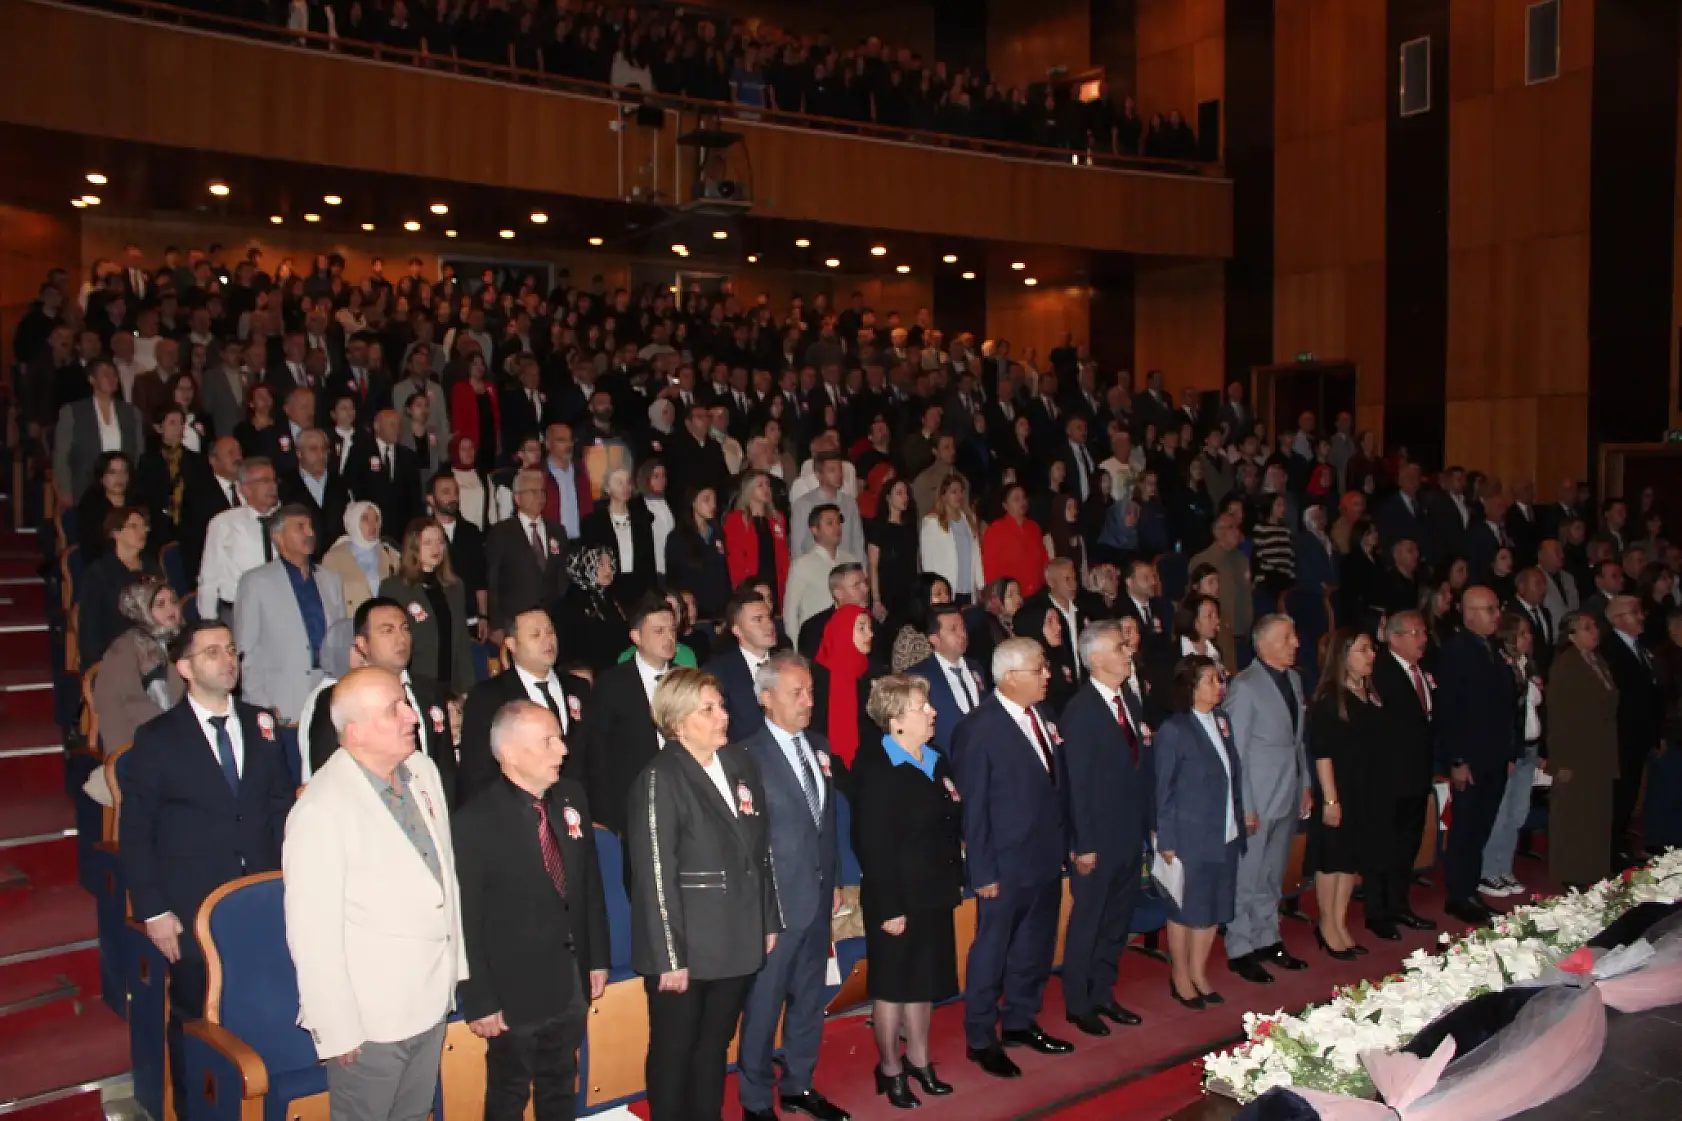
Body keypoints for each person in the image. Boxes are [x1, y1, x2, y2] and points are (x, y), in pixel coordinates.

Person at [119, 619, 294, 1117]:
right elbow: (137, 831)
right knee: (198, 1020)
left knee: (262, 1011)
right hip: (193, 904)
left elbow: (281, 809)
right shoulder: (157, 738)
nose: (228, 659)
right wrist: (153, 909)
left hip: (262, 899)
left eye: (232, 650)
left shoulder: (262, 724)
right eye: (213, 652)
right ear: (184, 668)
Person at [284, 668, 464, 1121]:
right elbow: (311, 933)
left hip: (430, 994)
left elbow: (445, 880)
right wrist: (336, 1029)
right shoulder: (321, 808)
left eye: (406, 702)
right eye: (395, 710)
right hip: (371, 1021)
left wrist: (455, 970)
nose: (412, 716)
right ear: (355, 731)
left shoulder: (423, 771)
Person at [628, 669, 781, 1121]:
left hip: (736, 933)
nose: (723, 717)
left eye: (722, 706)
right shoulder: (660, 778)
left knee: (714, 1046)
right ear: (677, 723)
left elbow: (760, 849)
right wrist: (670, 956)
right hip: (688, 946)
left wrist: (767, 919)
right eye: (708, 710)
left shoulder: (739, 763)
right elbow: (656, 874)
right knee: (677, 1050)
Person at [453, 701, 610, 1121]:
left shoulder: (571, 796)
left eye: (559, 737)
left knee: (561, 1087)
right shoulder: (474, 821)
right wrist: (480, 999)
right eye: (548, 742)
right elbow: (465, 920)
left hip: (570, 982)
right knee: (509, 1094)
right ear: (510, 753)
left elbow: (588, 885)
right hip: (513, 991)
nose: (562, 750)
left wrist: (596, 958)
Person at [952, 637, 1074, 1078]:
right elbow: (973, 807)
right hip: (1002, 864)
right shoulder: (979, 728)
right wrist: (981, 869)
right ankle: (981, 1037)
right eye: (1039, 669)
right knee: (992, 949)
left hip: (1044, 854)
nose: (1048, 675)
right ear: (1010, 678)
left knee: (1035, 945)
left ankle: (1021, 1020)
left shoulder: (1043, 715)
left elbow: (1057, 787)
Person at [736, 654, 849, 1121]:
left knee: (809, 998)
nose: (808, 701)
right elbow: (744, 844)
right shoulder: (745, 757)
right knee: (763, 1005)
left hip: (818, 897)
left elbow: (827, 825)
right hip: (775, 904)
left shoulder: (820, 747)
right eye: (796, 693)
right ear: (766, 699)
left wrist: (837, 879)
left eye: (810, 692)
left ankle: (800, 1083)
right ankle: (756, 1099)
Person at [851, 674, 963, 1108]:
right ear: (896, 719)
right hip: (895, 897)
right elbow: (872, 845)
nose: (932, 712)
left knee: (924, 982)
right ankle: (890, 1068)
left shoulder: (936, 759)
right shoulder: (877, 768)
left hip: (933, 891)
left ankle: (919, 1060)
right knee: (893, 987)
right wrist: (889, 906)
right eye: (922, 706)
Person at [1058, 621, 1151, 1036]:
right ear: (1095, 658)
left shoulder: (1129, 699)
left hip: (1129, 832)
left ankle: (1103, 992)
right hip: (1097, 838)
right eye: (1119, 646)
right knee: (1089, 921)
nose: (1128, 651)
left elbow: (1138, 768)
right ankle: (1078, 1003)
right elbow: (1077, 783)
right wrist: (1084, 844)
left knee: (1117, 920)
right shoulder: (1080, 711)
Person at [1222, 614, 1311, 984]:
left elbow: (1298, 741)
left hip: (1287, 792)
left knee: (1273, 874)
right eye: (1287, 637)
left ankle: (1267, 938)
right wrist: (1245, 806)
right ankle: (1240, 946)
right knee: (1248, 875)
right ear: (1263, 644)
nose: (1296, 643)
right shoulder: (1244, 686)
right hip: (1257, 798)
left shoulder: (1294, 680)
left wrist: (1305, 784)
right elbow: (1236, 752)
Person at [1155, 654, 1245, 1010]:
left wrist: (1240, 817)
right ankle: (1180, 974)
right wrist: (1167, 839)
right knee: (1185, 908)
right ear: (1190, 687)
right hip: (1189, 833)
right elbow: (1163, 788)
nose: (1219, 685)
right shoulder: (1175, 729)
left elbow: (1231, 775)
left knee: (1214, 906)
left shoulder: (1222, 720)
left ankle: (1199, 971)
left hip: (1225, 830)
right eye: (1210, 680)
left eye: (1220, 679)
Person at [1436, 586, 1519, 924]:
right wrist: (1456, 759)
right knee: (1466, 829)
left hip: (1494, 755)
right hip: (1470, 757)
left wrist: (1509, 751)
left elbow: (1505, 705)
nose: (1497, 615)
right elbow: (1449, 710)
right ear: (1469, 614)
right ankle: (1459, 895)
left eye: (1497, 608)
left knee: (1482, 826)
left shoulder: (1493, 648)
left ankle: (1471, 889)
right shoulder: (1456, 651)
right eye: (1489, 609)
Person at [458, 606, 590, 805]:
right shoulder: (488, 696)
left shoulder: (578, 687)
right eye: (535, 635)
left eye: (550, 631)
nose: (547, 640)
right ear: (512, 643)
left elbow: (594, 755)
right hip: (518, 813)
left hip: (578, 810)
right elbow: (477, 770)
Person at [233, 504, 347, 724]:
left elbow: (340, 644)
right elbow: (246, 651)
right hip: (281, 702)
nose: (310, 533)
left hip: (328, 699)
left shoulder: (330, 581)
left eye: (311, 527)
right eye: (300, 527)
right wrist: (261, 706)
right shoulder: (256, 582)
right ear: (278, 537)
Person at [1305, 629, 1381, 958]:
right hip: (1338, 788)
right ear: (1344, 656)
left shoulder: (1369, 694)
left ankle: (1340, 921)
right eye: (1363, 649)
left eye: (1371, 649)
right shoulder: (1329, 699)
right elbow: (1322, 753)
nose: (1371, 655)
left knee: (1350, 860)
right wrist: (1331, 799)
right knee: (1332, 859)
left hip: (1363, 788)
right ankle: (1326, 925)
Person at [1366, 612, 1439, 935]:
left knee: (1407, 844)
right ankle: (1378, 912)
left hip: (1416, 772)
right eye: (1415, 632)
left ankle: (1399, 904)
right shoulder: (1380, 670)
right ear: (1394, 637)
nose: (1423, 638)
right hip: (1389, 775)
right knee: (1383, 845)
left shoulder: (1419, 670)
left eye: (1423, 631)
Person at [584, 595, 677, 837]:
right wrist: (604, 813)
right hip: (633, 801)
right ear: (636, 637)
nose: (669, 637)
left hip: (683, 792)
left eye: (672, 629)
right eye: (658, 631)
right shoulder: (612, 683)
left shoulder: (684, 680)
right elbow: (597, 750)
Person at [1545, 611, 1621, 887]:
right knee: (1574, 815)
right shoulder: (1566, 665)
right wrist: (1560, 760)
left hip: (1599, 747)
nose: (1594, 631)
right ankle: (1571, 874)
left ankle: (1596, 870)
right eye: (1586, 628)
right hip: (1576, 751)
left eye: (1594, 626)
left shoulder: (1597, 661)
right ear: (1571, 635)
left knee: (1598, 812)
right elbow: (1558, 715)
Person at [1480, 612, 1544, 899]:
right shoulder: (1502, 667)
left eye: (1529, 633)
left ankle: (1504, 868)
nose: (1528, 638)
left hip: (1530, 748)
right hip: (1510, 751)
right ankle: (1488, 872)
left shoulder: (1527, 666)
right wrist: (1506, 753)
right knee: (1501, 814)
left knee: (1518, 814)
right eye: (1522, 633)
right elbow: (1503, 715)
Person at [1601, 594, 1664, 867]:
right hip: (1620, 736)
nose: (1642, 616)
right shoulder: (1609, 649)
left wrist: (1654, 733)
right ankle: (1610, 850)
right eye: (1635, 612)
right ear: (1618, 619)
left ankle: (1619, 843)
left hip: (1638, 736)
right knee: (1618, 795)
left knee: (1629, 794)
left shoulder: (1640, 647)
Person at [90, 577, 185, 756]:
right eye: (160, 604)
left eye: (173, 601)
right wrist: (120, 758)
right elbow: (110, 707)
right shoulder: (125, 649)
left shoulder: (185, 643)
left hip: (182, 740)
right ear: (142, 610)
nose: (171, 609)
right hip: (140, 744)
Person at [380, 519, 475, 695]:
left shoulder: (455, 587)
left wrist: (467, 689)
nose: (436, 548)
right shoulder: (394, 588)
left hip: (450, 685)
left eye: (440, 542)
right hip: (415, 684)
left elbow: (462, 641)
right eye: (428, 543)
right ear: (414, 547)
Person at [484, 468, 571, 631]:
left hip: (551, 620)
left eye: (542, 491)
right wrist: (496, 625)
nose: (540, 497)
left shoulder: (557, 531)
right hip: (515, 621)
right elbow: (493, 581)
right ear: (517, 498)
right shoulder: (501, 532)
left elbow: (562, 576)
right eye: (533, 491)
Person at [196, 456, 282, 620]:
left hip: (279, 609)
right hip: (239, 611)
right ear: (245, 489)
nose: (272, 486)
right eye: (264, 481)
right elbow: (210, 577)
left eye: (273, 480)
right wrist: (209, 621)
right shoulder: (224, 523)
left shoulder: (285, 520)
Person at [77, 505, 162, 666]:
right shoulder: (99, 573)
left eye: (144, 526)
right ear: (115, 533)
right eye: (133, 526)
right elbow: (90, 626)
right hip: (114, 654)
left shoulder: (152, 568)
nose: (142, 531)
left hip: (152, 652)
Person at [810, 603, 884, 784]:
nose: (870, 634)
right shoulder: (817, 677)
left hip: (871, 765)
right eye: (861, 628)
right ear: (843, 631)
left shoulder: (874, 672)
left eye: (870, 628)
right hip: (828, 766)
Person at [907, 604, 986, 753]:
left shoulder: (976, 667)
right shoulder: (919, 676)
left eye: (963, 627)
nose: (962, 634)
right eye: (953, 629)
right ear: (934, 639)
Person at [701, 590, 778, 740]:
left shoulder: (787, 664)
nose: (769, 624)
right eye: (758, 619)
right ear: (737, 630)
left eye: (769, 617)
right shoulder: (719, 671)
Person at [580, 465, 657, 606]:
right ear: (607, 488)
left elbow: (649, 562)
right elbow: (590, 560)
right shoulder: (593, 522)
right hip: (607, 590)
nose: (625, 487)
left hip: (638, 591)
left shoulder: (642, 520)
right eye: (619, 482)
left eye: (628, 482)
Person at [783, 506, 859, 640]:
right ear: (814, 530)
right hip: (816, 639)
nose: (837, 527)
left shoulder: (849, 560)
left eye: (838, 522)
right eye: (830, 523)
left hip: (849, 636)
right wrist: (797, 647)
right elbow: (790, 612)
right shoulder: (802, 564)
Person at [552, 546, 630, 673]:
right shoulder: (570, 603)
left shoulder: (611, 598)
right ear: (584, 567)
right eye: (601, 564)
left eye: (611, 564)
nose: (609, 569)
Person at [725, 471, 792, 610]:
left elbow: (783, 555)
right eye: (760, 485)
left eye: (767, 485)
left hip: (775, 581)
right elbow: (734, 558)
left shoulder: (778, 519)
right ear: (749, 490)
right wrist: (741, 587)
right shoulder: (736, 519)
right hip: (751, 581)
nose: (766, 489)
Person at [322, 501, 401, 619]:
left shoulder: (390, 554)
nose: (372, 524)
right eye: (365, 519)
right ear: (353, 522)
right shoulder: (334, 558)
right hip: (352, 625)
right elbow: (328, 601)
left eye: (376, 519)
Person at [666, 485, 732, 621]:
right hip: (694, 611)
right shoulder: (678, 537)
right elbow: (675, 578)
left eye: (714, 500)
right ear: (693, 502)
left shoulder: (717, 533)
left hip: (720, 611)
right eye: (706, 499)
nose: (713, 505)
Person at [920, 474, 983, 605]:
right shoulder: (931, 522)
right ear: (943, 496)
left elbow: (976, 554)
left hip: (968, 589)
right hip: (946, 589)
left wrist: (980, 584)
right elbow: (927, 561)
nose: (959, 496)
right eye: (953, 492)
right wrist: (934, 590)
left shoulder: (969, 519)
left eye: (961, 492)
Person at [981, 483, 1050, 599]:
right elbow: (990, 567)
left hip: (1037, 593)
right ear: (1005, 505)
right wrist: (996, 596)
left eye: (1023, 498)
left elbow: (1044, 559)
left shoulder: (1034, 528)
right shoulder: (995, 530)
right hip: (1011, 597)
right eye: (1016, 499)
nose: (1022, 502)